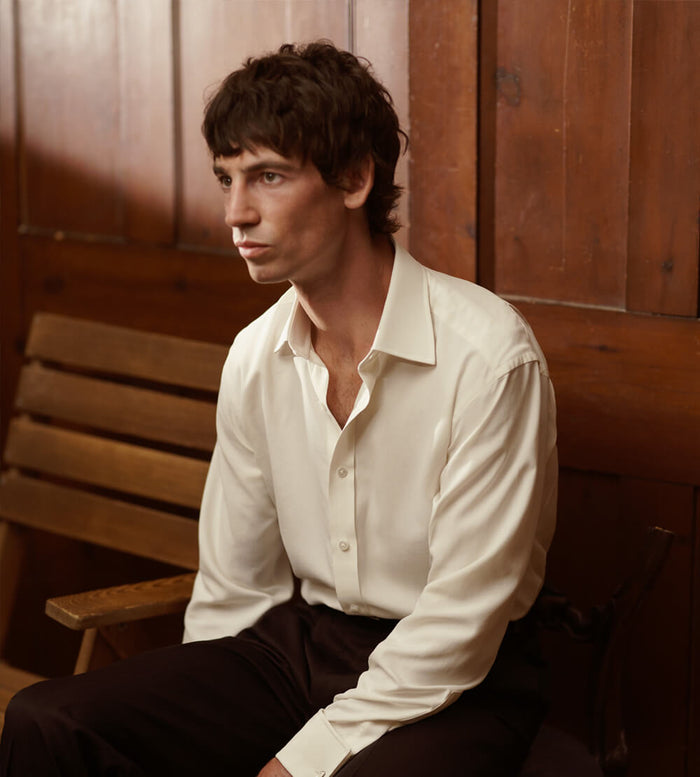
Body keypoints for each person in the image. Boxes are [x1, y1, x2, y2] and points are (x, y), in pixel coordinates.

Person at [0, 41, 557, 777]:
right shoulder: (254, 356)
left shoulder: (490, 356)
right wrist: (198, 726)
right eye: (225, 178)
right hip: (302, 645)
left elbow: (461, 621)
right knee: (45, 721)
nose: (236, 213)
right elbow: (234, 587)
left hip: (459, 677)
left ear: (354, 178)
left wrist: (301, 761)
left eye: (267, 176)